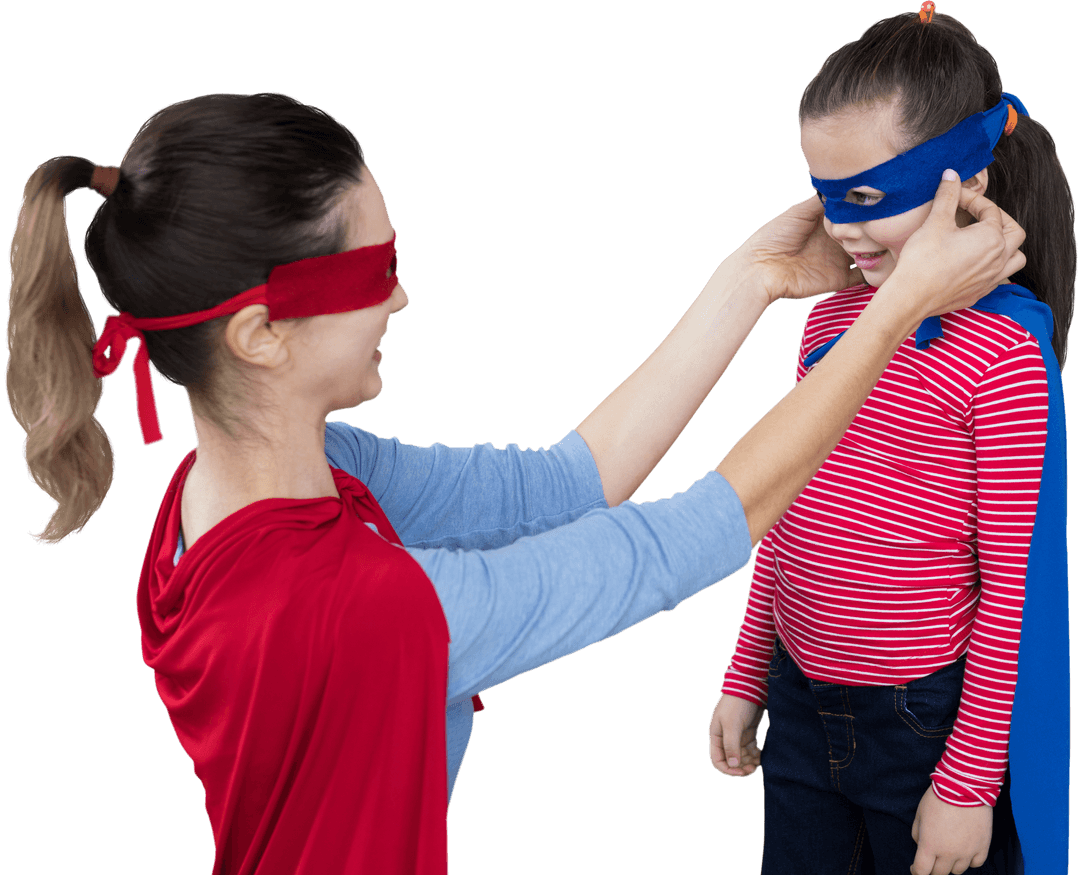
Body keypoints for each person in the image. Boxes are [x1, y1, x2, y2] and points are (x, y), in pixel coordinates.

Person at [6, 91, 1022, 875]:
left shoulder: (240, 492)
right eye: (371, 274)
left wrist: (749, 280)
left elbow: (562, 485)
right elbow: (695, 533)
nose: (401, 293)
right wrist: (895, 317)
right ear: (261, 334)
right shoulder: (352, 604)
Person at [709, 4, 1072, 875]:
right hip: (800, 699)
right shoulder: (826, 320)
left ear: (965, 180)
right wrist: (745, 670)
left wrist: (970, 782)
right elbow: (785, 500)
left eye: (867, 197)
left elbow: (1012, 586)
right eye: (825, 194)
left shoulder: (1005, 355)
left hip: (924, 725)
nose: (840, 228)